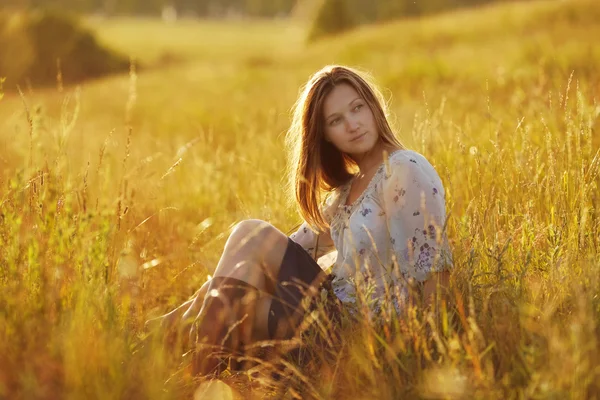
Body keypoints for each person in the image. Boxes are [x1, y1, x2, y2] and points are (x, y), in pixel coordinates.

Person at [146, 65, 452, 376]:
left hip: (362, 335)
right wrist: (209, 291)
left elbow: (434, 270)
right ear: (325, 136)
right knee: (232, 297)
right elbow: (291, 249)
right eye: (336, 121)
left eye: (357, 108)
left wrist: (417, 359)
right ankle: (166, 348)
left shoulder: (403, 169)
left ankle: (160, 342)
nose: (352, 124)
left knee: (250, 237)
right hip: (330, 319)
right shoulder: (347, 189)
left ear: (373, 107)